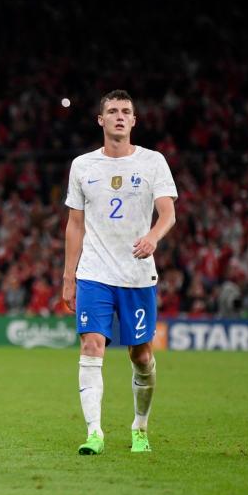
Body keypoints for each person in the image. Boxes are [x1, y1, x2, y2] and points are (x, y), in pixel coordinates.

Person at [62, 89, 177, 456]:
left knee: (140, 355)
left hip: (137, 274)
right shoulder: (82, 166)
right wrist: (69, 277)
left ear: (134, 120)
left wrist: (154, 237)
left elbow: (168, 213)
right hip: (94, 272)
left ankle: (140, 426)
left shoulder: (153, 162)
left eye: (126, 111)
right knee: (91, 345)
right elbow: (74, 225)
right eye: (112, 111)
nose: (119, 116)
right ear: (101, 120)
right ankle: (94, 432)